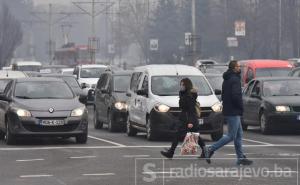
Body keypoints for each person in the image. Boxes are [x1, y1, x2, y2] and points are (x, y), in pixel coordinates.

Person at [204, 60, 253, 166]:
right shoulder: (235, 79)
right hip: (233, 111)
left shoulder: (227, 79)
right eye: (238, 66)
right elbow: (236, 96)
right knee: (231, 135)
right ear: (234, 68)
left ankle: (240, 158)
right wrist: (240, 107)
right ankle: (210, 149)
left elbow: (225, 95)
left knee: (239, 135)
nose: (240, 68)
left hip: (230, 109)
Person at [161, 78, 206, 159]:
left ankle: (171, 152)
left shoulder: (190, 95)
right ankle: (206, 151)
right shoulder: (184, 94)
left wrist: (191, 122)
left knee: (180, 135)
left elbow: (191, 109)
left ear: (187, 85)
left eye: (183, 85)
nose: (181, 86)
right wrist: (181, 93)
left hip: (188, 118)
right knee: (192, 135)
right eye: (181, 84)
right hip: (184, 117)